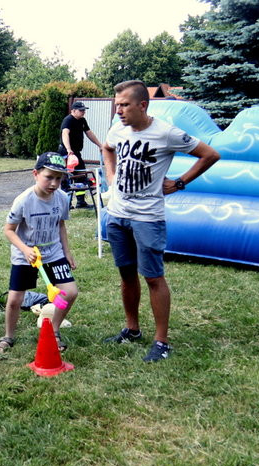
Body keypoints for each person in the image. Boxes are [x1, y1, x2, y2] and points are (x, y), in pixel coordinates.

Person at [101, 80, 220, 362]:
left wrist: (179, 183)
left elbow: (210, 154)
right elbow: (107, 148)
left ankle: (162, 340)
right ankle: (132, 329)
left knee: (153, 277)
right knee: (126, 275)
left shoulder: (166, 132)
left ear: (143, 105)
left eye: (125, 105)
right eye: (117, 105)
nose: (119, 111)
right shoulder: (118, 128)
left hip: (148, 217)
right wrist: (111, 177)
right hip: (118, 215)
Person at [0, 152, 78, 354]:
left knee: (70, 292)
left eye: (59, 178)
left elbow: (61, 225)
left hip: (54, 253)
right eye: (49, 177)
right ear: (35, 174)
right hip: (26, 256)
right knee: (15, 300)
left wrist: (67, 252)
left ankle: (54, 330)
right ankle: (8, 336)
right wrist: (25, 249)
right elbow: (8, 230)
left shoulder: (62, 198)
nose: (54, 183)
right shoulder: (23, 200)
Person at [58, 101, 103, 208]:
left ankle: (80, 202)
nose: (83, 112)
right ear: (73, 111)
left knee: (81, 175)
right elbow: (65, 134)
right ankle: (66, 203)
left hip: (76, 153)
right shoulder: (68, 120)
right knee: (66, 177)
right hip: (66, 153)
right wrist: (69, 150)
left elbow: (89, 133)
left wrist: (100, 145)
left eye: (84, 110)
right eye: (81, 110)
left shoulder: (82, 120)